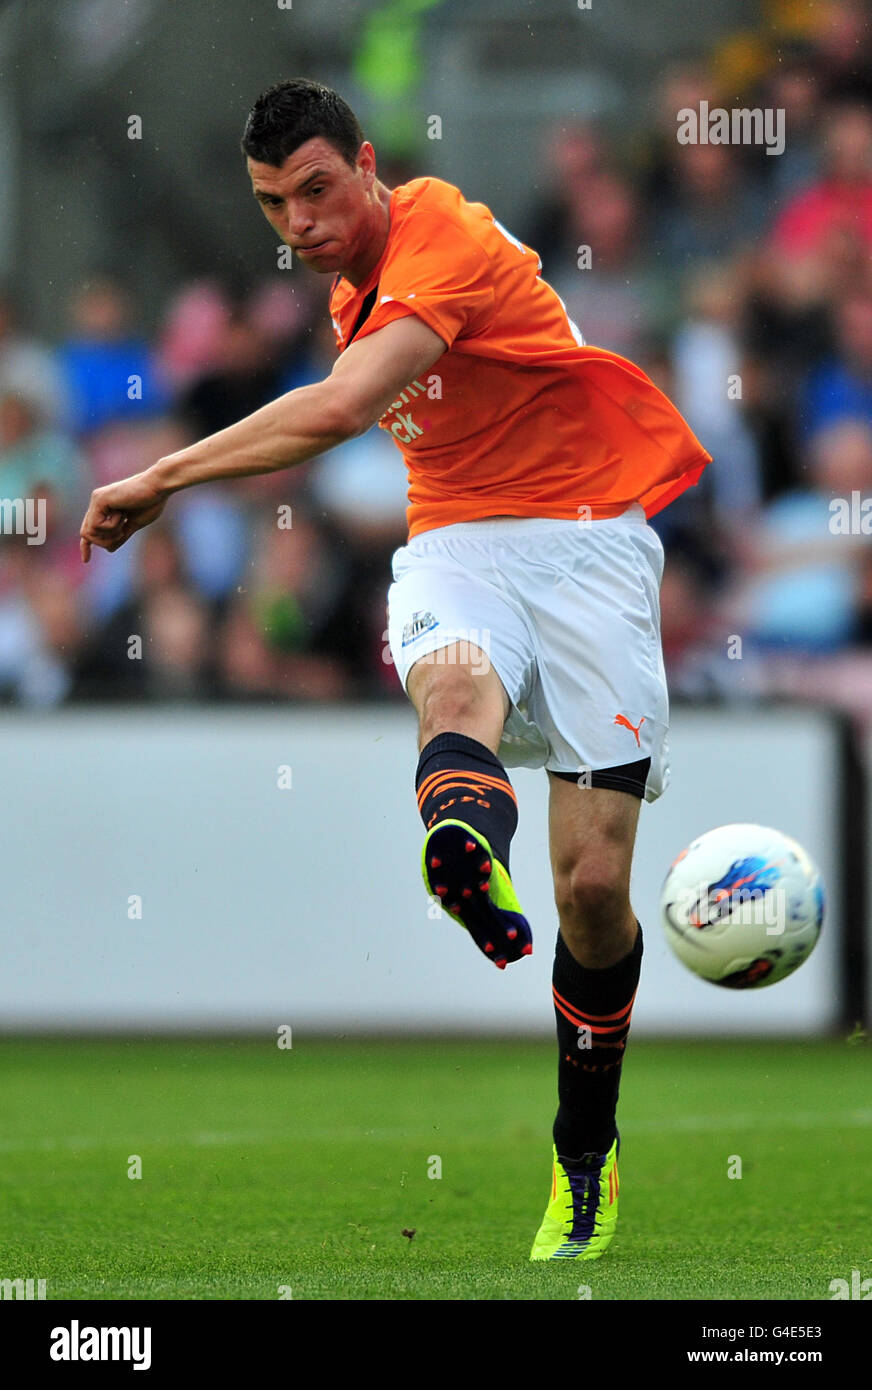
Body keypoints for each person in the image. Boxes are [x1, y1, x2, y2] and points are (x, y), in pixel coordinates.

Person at [79, 79, 712, 1262]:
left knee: (590, 888)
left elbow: (342, 407)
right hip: (457, 539)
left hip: (587, 544)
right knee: (454, 691)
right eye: (273, 203)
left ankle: (585, 1154)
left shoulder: (446, 239)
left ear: (365, 165)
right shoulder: (347, 280)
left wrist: (162, 474)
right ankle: (467, 846)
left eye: (316, 190)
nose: (299, 220)